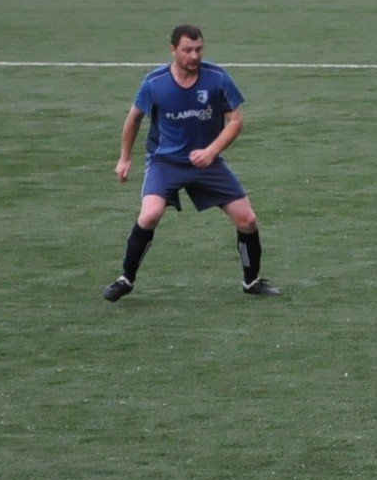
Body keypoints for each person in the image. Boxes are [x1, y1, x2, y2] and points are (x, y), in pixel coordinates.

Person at [104, 23, 280, 301]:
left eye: (199, 49)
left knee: (247, 219)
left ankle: (251, 281)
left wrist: (211, 151)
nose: (194, 56)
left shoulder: (217, 78)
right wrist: (125, 157)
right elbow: (134, 117)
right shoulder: (155, 82)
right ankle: (126, 278)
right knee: (149, 215)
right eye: (187, 50)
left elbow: (236, 120)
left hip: (208, 163)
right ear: (173, 50)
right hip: (165, 163)